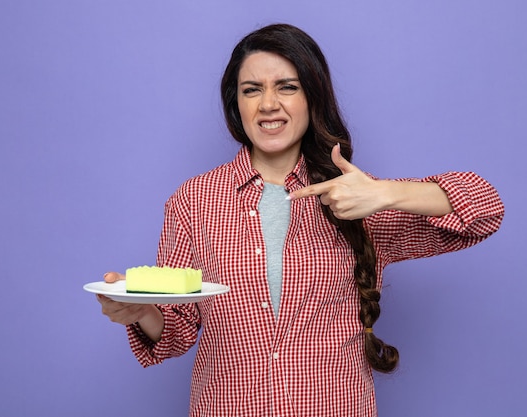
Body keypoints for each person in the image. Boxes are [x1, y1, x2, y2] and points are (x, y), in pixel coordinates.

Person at [96, 23, 504, 417]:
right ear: (236, 104)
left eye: (287, 87)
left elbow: (485, 209)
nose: (268, 104)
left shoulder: (356, 196)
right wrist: (141, 313)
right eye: (251, 90)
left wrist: (385, 193)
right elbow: (177, 331)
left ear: (313, 97)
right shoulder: (195, 201)